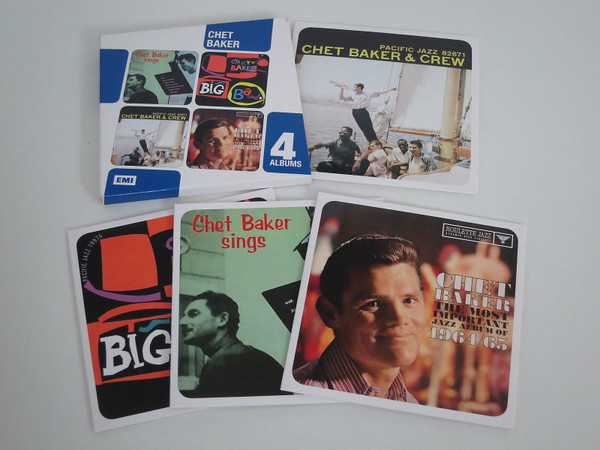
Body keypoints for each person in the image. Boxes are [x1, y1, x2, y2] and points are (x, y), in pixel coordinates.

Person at [293, 234, 426, 402]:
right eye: (373, 304)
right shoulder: (305, 398)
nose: (399, 318)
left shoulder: (406, 400)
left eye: (409, 300)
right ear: (330, 313)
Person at [180, 291, 288, 397]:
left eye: (193, 314)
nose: (182, 322)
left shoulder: (225, 361)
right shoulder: (242, 355)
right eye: (183, 316)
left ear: (222, 319)